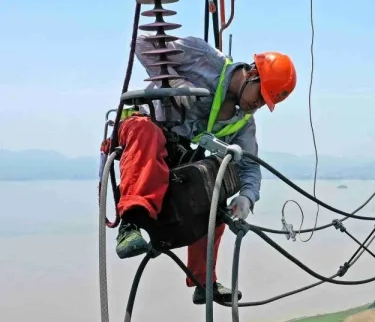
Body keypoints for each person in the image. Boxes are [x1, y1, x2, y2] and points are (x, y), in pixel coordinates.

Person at [114, 34, 297, 305]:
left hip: (173, 148)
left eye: (263, 104)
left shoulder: (242, 122)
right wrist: (172, 78)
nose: (256, 107)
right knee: (147, 133)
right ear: (253, 74)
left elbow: (250, 166)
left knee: (212, 188)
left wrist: (246, 197)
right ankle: (129, 226)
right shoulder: (204, 57)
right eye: (260, 97)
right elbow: (141, 43)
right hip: (140, 128)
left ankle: (203, 281)